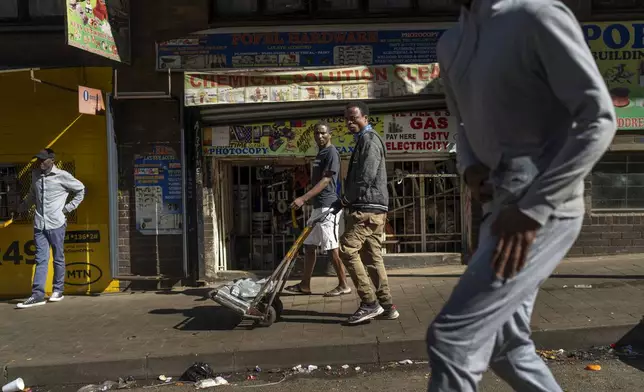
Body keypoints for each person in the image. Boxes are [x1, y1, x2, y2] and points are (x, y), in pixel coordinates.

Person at [427, 1, 616, 391]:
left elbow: (598, 118)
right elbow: (457, 117)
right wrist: (468, 166)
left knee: (453, 339)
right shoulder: (451, 42)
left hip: (542, 209)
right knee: (506, 347)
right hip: (498, 205)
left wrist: (534, 208)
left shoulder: (536, 17)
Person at [339, 101, 398, 324]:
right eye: (346, 119)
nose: (349, 122)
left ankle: (369, 303)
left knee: (347, 249)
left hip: (367, 208)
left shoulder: (369, 140)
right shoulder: (364, 140)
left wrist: (347, 198)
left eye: (353, 118)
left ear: (365, 117)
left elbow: (365, 176)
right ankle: (387, 306)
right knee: (372, 258)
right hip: (372, 208)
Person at [287, 121, 351, 297]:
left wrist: (303, 198)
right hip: (318, 207)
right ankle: (305, 285)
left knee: (331, 248)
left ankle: (344, 284)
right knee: (309, 246)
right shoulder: (320, 153)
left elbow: (326, 181)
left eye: (323, 133)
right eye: (316, 133)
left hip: (328, 207)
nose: (319, 136)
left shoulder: (331, 153)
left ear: (330, 134)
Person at [16, 148, 86, 309]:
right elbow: (32, 195)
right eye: (38, 160)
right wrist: (20, 209)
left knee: (58, 257)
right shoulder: (35, 175)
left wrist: (68, 208)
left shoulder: (62, 176)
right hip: (40, 224)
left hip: (56, 223)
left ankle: (58, 290)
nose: (40, 163)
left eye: (43, 160)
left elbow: (81, 189)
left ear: (52, 160)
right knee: (41, 259)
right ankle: (38, 294)